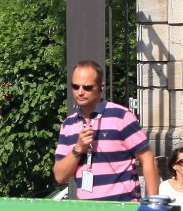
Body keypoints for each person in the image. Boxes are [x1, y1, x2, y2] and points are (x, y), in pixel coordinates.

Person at [53, 59, 159, 201]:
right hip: (89, 210)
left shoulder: (121, 116)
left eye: (87, 87)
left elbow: (148, 159)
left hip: (124, 208)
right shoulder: (68, 124)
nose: (80, 92)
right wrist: (78, 148)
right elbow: (59, 176)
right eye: (75, 86)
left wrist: (153, 205)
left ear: (101, 87)